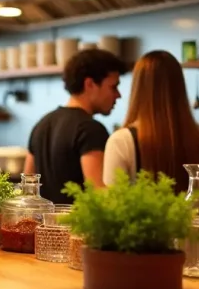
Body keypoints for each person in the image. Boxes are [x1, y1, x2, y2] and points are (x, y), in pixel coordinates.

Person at [103, 50, 199, 200]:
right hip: (190, 223)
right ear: (180, 86)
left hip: (142, 224)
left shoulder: (121, 140)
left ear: (137, 87)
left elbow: (113, 203)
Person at [25, 48, 125, 203]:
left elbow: (28, 189)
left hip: (44, 226)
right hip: (77, 226)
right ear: (90, 84)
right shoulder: (90, 129)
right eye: (113, 86)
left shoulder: (42, 124)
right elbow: (99, 195)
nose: (118, 95)